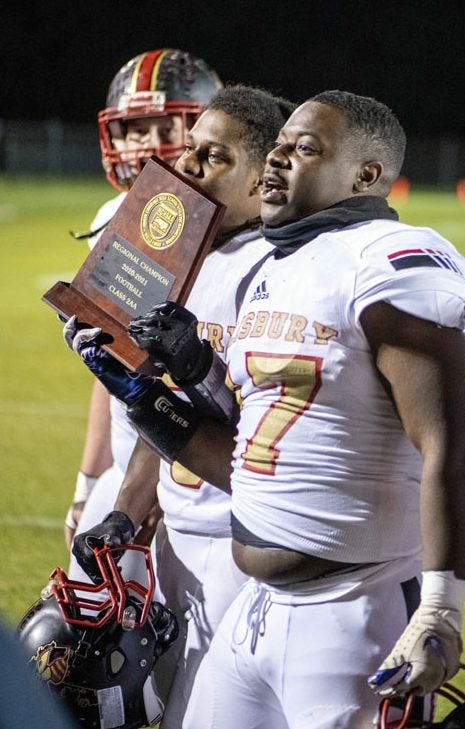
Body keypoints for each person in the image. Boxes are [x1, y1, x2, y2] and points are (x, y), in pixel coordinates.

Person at [65, 90, 465, 728]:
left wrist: (441, 608)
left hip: (352, 603)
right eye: (282, 146)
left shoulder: (386, 261)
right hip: (259, 597)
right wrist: (145, 396)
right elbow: (253, 448)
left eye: (304, 148)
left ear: (366, 175)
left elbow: (450, 447)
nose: (282, 160)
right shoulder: (281, 268)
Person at [68, 84, 293, 729]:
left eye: (213, 157)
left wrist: (198, 371)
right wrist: (126, 511)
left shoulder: (280, 271)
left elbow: (268, 432)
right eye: (192, 149)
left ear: (263, 177)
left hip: (243, 541)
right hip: (177, 534)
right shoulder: (189, 256)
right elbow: (164, 423)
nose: (187, 166)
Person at [65, 50, 223, 581]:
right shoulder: (114, 216)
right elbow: (107, 352)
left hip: (202, 471)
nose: (144, 144)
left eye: (162, 127)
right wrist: (90, 481)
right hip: (127, 460)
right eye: (134, 129)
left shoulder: (230, 228)